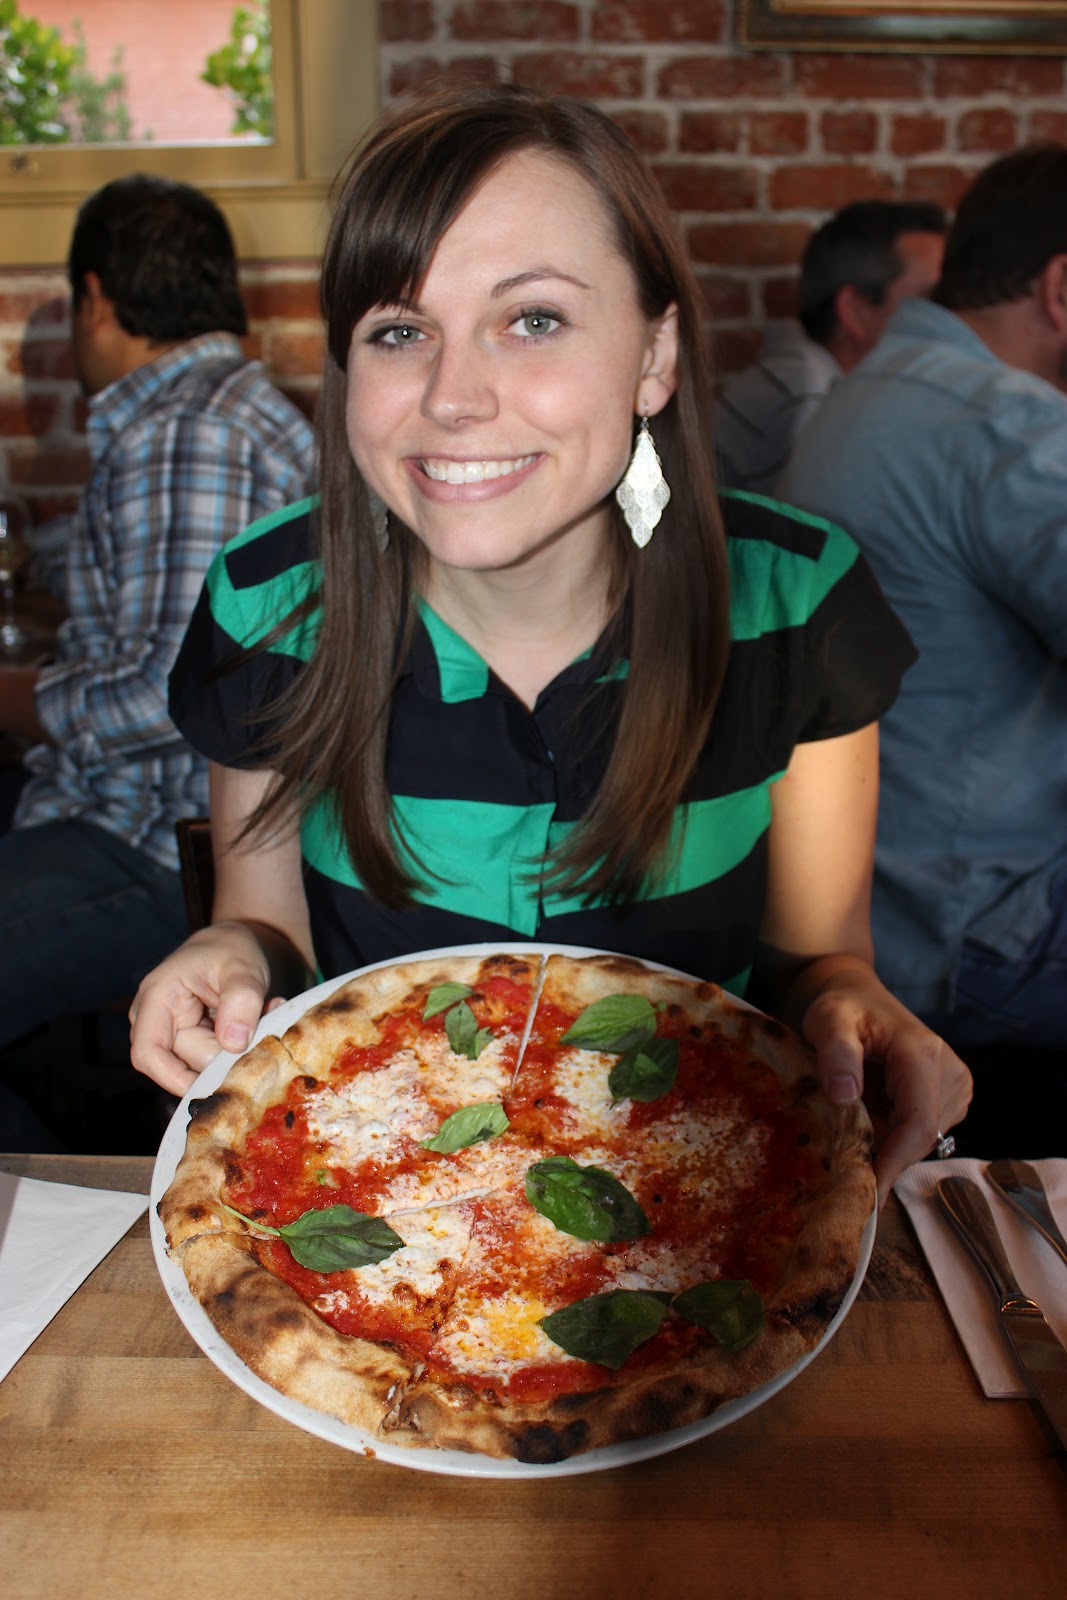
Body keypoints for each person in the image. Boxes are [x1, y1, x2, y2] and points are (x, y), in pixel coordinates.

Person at [129, 85, 971, 1203]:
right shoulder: (267, 604)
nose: (452, 397)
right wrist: (231, 958)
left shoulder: (796, 601)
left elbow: (816, 964)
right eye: (398, 331)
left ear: (653, 356)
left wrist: (848, 1010)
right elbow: (267, 934)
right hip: (388, 1196)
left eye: (532, 319)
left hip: (693, 1194)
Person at [0, 173, 316, 1054]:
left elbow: (158, 701)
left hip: (159, 848)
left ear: (95, 299)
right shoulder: (221, 415)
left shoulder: (193, 433)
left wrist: (10, 696)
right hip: (144, 820)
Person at [780, 143, 1067, 1056]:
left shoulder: (869, 386)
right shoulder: (1007, 427)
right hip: (973, 930)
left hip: (873, 897)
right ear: (1060, 290)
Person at [713, 200, 947, 493]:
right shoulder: (808, 392)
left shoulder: (809, 377)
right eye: (932, 299)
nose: (949, 317)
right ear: (857, 311)